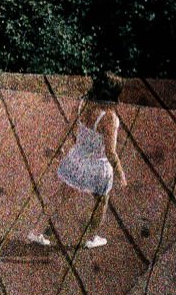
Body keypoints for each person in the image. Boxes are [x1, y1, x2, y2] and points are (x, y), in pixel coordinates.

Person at [29, 72, 127, 249]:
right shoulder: (109, 117)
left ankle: (36, 231)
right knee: (101, 202)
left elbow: (68, 129)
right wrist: (120, 173)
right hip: (97, 167)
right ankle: (92, 237)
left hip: (77, 160)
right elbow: (110, 152)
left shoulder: (82, 104)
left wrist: (58, 148)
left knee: (60, 196)